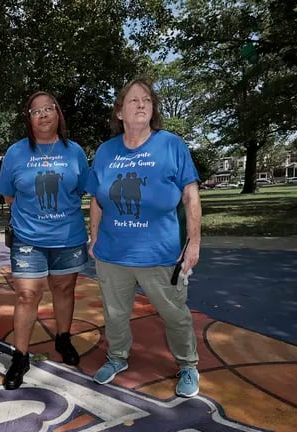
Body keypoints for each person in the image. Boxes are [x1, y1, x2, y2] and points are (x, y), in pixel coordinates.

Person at [85, 77, 203, 398]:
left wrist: (193, 241)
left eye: (147, 100)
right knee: (115, 314)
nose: (141, 105)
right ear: (120, 112)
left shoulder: (171, 145)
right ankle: (117, 357)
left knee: (175, 313)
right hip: (113, 254)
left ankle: (188, 364)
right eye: (133, 100)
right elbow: (97, 199)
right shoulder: (106, 152)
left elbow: (191, 196)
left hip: (161, 254)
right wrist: (93, 237)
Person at [0, 91, 90, 390]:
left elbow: (81, 191)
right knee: (27, 295)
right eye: (36, 111)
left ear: (58, 114)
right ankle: (20, 357)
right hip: (28, 239)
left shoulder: (74, 151)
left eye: (49, 108)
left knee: (64, 288)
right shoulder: (16, 153)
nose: (44, 114)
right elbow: (9, 195)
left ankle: (63, 339)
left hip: (68, 235)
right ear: (29, 119)